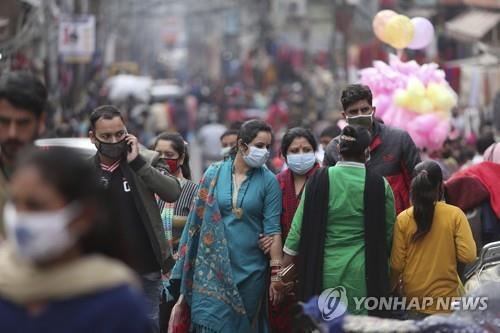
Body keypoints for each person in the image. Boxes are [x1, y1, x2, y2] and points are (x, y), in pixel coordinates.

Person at [0, 148, 152, 332]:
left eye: (35, 206)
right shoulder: (5, 286)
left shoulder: (116, 305)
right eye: (15, 203)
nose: (19, 218)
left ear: (82, 216)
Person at [171, 119, 283, 332]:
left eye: (268, 147)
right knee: (210, 322)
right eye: (260, 146)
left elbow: (273, 232)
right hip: (211, 271)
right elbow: (196, 220)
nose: (265, 152)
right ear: (242, 145)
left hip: (251, 272)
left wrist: (277, 275)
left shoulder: (269, 182)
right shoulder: (213, 174)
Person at [283, 125, 396, 316]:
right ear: (367, 152)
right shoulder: (379, 185)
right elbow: (389, 232)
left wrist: (282, 272)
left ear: (338, 150)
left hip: (324, 273)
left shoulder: (318, 180)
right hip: (364, 277)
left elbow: (298, 230)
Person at [88, 105, 181, 332]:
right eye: (106, 136)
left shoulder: (147, 159)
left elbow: (172, 191)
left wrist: (138, 163)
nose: (114, 140)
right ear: (93, 138)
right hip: (102, 273)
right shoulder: (84, 171)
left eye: (119, 134)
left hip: (145, 270)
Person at [390, 161, 476, 317]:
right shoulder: (454, 215)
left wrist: (391, 287)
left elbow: (396, 265)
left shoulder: (403, 218)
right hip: (446, 301)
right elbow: (468, 255)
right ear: (440, 186)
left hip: (414, 300)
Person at [323, 84, 421, 214]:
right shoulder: (334, 149)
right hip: (355, 225)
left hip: (397, 223)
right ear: (344, 115)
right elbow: (328, 194)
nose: (360, 115)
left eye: (364, 110)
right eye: (353, 112)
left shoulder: (398, 140)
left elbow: (417, 184)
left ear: (373, 110)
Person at [266, 127, 320, 332]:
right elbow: (268, 223)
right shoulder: (276, 183)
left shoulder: (325, 179)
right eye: (295, 150)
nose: (301, 155)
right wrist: (264, 238)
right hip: (280, 262)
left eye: (306, 149)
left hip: (315, 265)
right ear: (284, 155)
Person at [0, 71, 47, 231]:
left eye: (22, 123)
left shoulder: (58, 180)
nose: (12, 133)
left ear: (40, 122)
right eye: (4, 122)